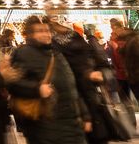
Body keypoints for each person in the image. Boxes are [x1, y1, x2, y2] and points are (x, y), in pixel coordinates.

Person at [6, 15, 89, 144]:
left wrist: (85, 114)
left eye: (47, 30)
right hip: (44, 125)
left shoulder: (57, 53)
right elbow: (13, 84)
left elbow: (72, 86)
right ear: (30, 35)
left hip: (72, 123)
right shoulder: (24, 53)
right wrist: (37, 89)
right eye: (40, 31)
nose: (46, 34)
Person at [48, 15, 109, 144]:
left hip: (85, 88)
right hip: (71, 90)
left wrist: (92, 71)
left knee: (94, 126)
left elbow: (90, 55)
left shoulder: (73, 36)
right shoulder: (54, 42)